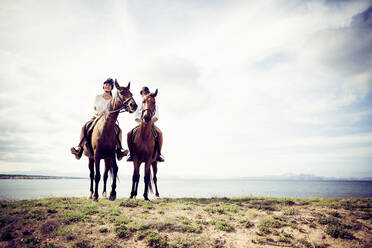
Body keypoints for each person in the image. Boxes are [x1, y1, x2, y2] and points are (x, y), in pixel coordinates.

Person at [70, 78, 128, 160]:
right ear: (104, 86)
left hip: (108, 119)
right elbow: (95, 107)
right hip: (97, 116)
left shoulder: (112, 99)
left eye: (109, 85)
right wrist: (100, 112)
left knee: (119, 130)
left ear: (111, 88)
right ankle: (79, 149)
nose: (107, 86)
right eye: (106, 85)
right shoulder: (98, 96)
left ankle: (119, 150)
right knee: (84, 127)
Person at [127, 86, 164, 162]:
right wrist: (141, 123)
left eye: (146, 93)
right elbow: (136, 117)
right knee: (129, 134)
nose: (145, 94)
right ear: (141, 94)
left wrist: (149, 123)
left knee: (160, 133)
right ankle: (130, 154)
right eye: (143, 93)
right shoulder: (138, 104)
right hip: (140, 124)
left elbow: (156, 117)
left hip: (151, 124)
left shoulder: (153, 103)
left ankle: (159, 154)